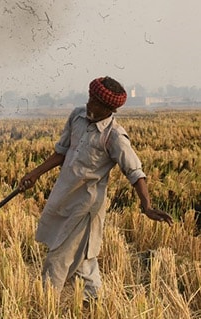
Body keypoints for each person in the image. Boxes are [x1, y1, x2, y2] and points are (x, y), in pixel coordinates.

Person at [19, 76, 173, 302]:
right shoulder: (77, 117)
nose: (90, 105)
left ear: (110, 109)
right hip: (63, 197)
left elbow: (135, 172)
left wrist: (146, 205)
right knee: (84, 260)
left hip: (85, 208)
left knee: (57, 258)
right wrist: (34, 174)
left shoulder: (114, 136)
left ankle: (46, 305)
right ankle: (96, 303)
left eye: (97, 104)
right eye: (91, 99)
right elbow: (61, 152)